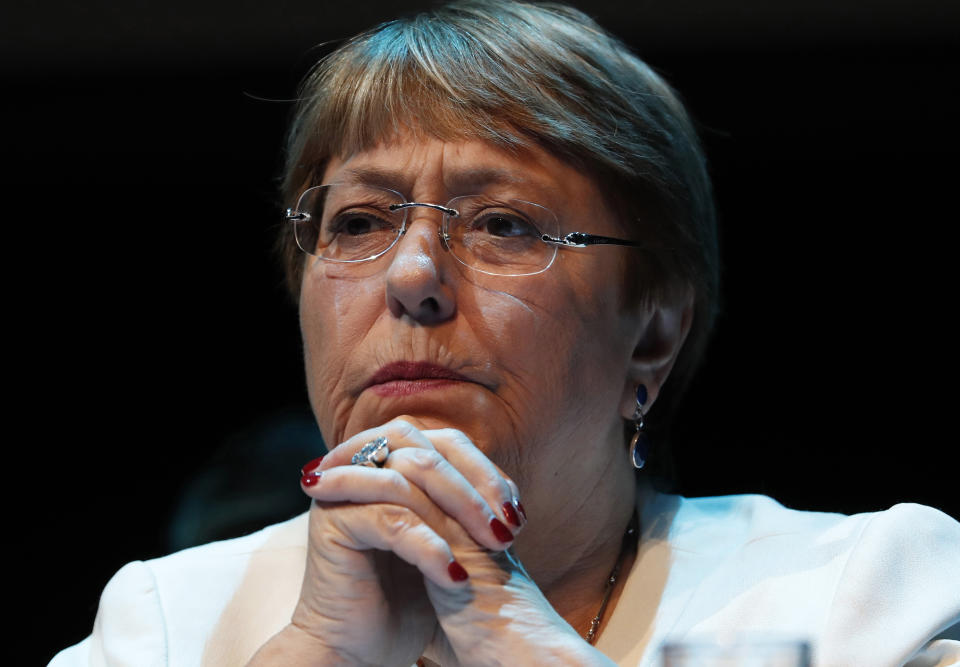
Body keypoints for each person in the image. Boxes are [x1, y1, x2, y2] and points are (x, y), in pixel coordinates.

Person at [51, 1, 960, 665]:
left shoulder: (871, 599)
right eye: (360, 222)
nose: (412, 276)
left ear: (652, 333)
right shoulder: (165, 624)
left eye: (503, 225)